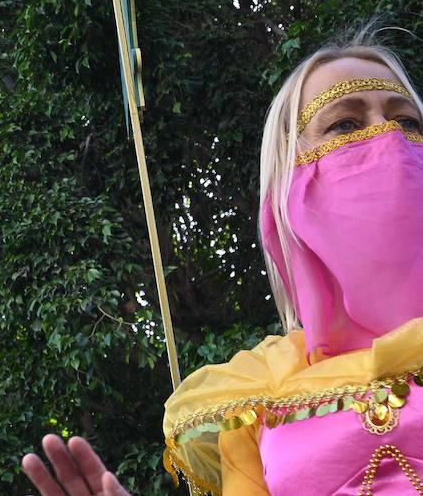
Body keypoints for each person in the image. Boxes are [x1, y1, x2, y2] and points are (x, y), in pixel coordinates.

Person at [21, 31, 423, 494]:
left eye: (409, 121)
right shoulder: (256, 397)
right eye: (345, 125)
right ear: (290, 179)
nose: (387, 136)